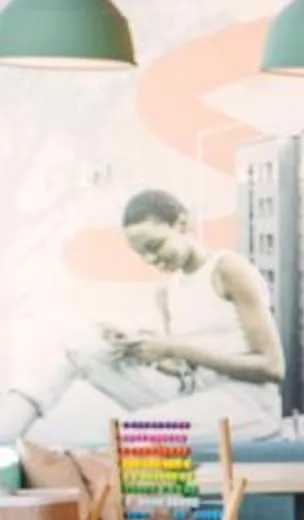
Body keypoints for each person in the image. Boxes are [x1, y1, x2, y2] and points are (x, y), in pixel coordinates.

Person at [0, 189, 286, 447]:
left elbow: (272, 368)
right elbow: (182, 367)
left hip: (246, 405)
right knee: (79, 345)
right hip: (197, 395)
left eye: (156, 245)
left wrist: (174, 347)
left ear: (182, 224)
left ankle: (169, 505)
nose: (151, 259)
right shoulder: (167, 289)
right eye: (141, 254)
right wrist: (139, 348)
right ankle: (5, 436)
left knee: (128, 434)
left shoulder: (227, 269)